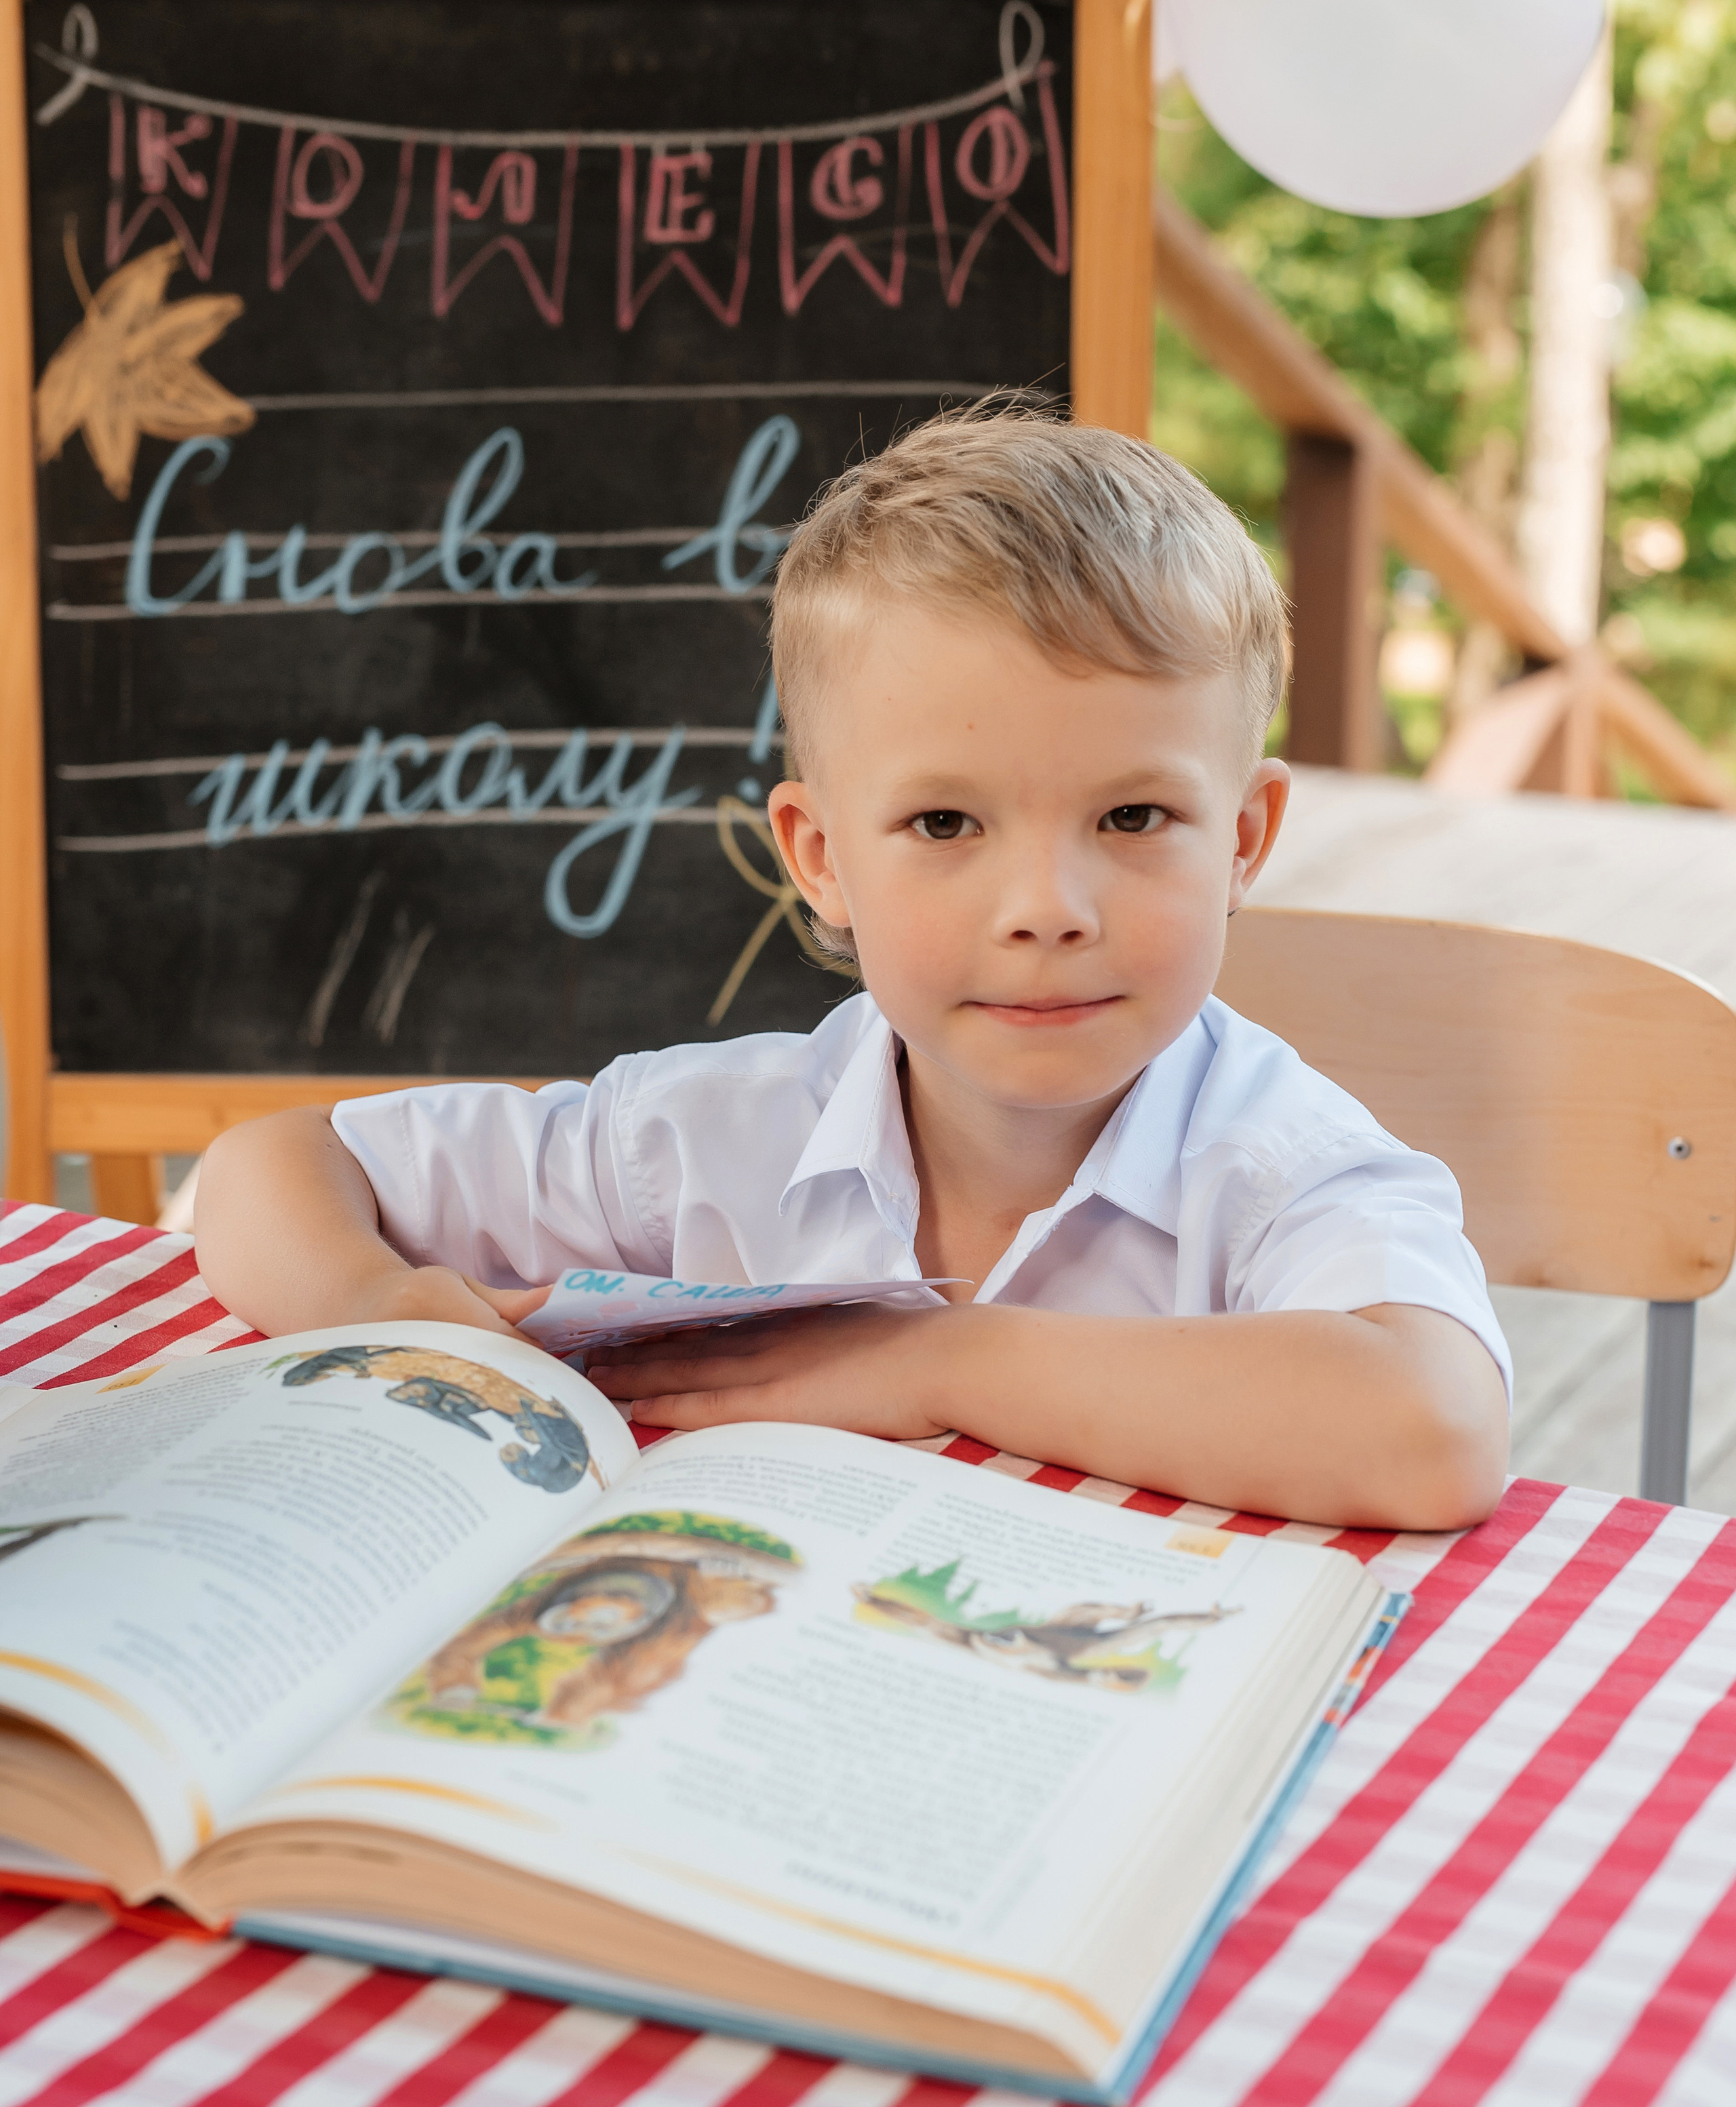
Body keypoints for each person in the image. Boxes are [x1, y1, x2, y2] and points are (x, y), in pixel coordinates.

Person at [195, 408, 1511, 1529]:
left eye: (1129, 818)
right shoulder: (704, 1140)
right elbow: (268, 1170)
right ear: (819, 857)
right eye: (945, 824)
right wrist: (378, 1302)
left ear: (1242, 838)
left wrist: (939, 1360)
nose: (1045, 910)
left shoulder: (1279, 1169)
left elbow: (1433, 1429)